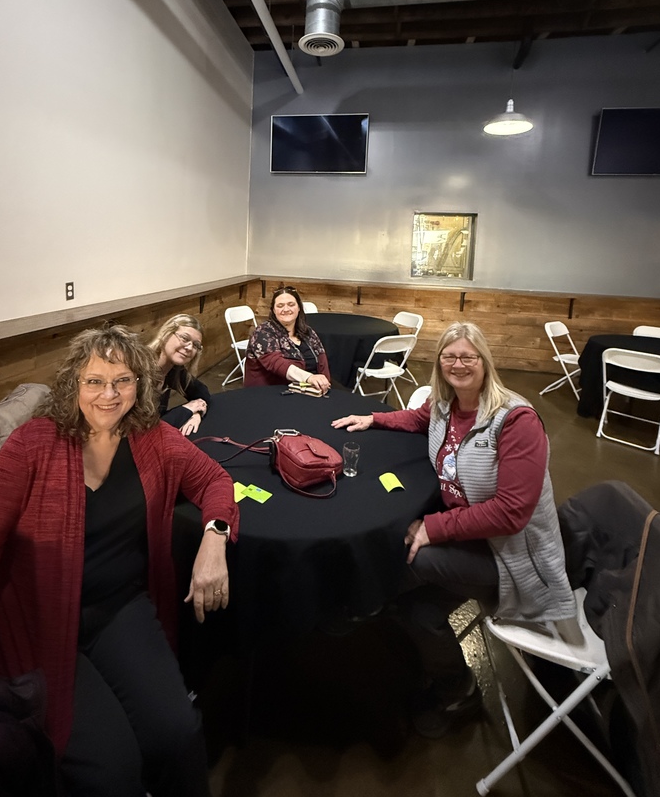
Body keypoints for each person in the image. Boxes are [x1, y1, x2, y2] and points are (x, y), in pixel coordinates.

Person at [0, 324, 239, 797]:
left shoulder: (153, 438)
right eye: (95, 381)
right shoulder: (32, 444)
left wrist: (215, 537)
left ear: (139, 384)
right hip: (42, 620)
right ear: (74, 384)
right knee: (111, 772)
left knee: (179, 733)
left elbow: (214, 480)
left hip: (122, 609)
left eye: (123, 380)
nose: (109, 394)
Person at [332, 320, 574, 739]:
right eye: (449, 357)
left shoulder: (516, 420)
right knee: (418, 612)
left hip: (511, 558)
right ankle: (459, 691)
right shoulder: (446, 405)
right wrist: (372, 418)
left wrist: (435, 526)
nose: (458, 364)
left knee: (414, 552)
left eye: (468, 357)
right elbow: (416, 419)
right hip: (472, 542)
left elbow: (511, 513)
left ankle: (361, 601)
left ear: (485, 361)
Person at [243, 285, 331, 392]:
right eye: (280, 306)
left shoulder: (308, 332)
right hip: (271, 392)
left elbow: (322, 359)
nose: (286, 309)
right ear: (273, 310)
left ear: (299, 308)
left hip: (308, 390)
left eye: (291, 304)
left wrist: (325, 385)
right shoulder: (263, 332)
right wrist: (309, 378)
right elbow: (277, 364)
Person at [149, 313, 210, 434]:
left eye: (196, 345)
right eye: (185, 338)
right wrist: (188, 409)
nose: (189, 347)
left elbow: (202, 393)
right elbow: (147, 432)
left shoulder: (174, 370)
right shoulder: (138, 372)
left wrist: (196, 413)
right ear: (166, 334)